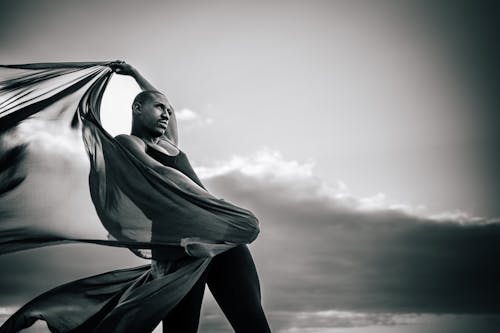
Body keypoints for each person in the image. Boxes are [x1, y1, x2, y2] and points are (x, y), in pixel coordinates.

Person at [109, 61, 271, 333]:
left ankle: (211, 246)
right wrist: (213, 203)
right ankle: (204, 243)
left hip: (215, 234)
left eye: (168, 111)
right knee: (180, 329)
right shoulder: (128, 142)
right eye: (159, 108)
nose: (166, 114)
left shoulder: (168, 143)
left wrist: (136, 74)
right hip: (177, 244)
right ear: (137, 109)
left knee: (253, 324)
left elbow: (165, 103)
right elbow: (157, 171)